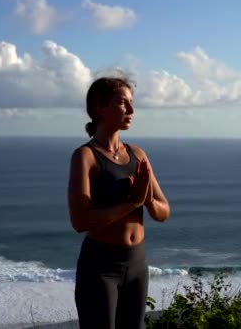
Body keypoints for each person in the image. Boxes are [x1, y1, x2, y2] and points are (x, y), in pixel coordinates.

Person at [67, 75, 170, 329]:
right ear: (99, 107)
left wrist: (146, 200)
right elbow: (80, 221)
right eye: (123, 103)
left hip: (137, 263)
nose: (131, 110)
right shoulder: (86, 156)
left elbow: (163, 211)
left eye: (132, 103)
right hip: (100, 266)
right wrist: (132, 202)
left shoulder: (137, 154)